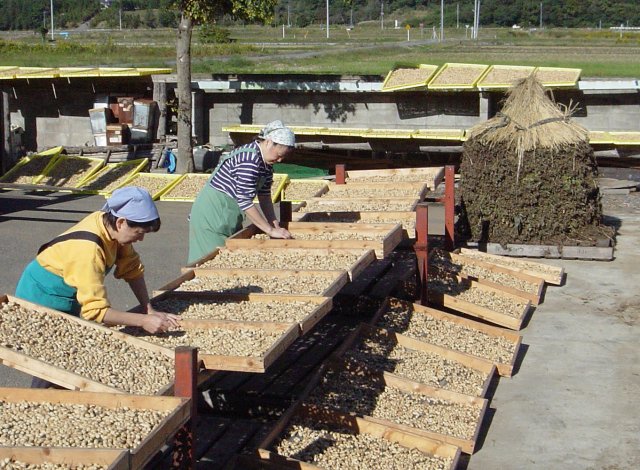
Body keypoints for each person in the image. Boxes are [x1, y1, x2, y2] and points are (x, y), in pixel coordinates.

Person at [16, 186, 180, 334]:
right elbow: (95, 311)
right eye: (138, 233)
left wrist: (148, 309)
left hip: (67, 295)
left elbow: (131, 269)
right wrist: (143, 321)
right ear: (121, 222)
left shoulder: (112, 227)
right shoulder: (88, 250)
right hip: (40, 296)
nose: (141, 239)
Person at [188, 120, 295, 264]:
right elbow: (244, 200)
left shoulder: (267, 164)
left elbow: (264, 196)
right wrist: (269, 230)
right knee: (209, 263)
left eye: (283, 156)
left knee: (226, 260)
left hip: (228, 213)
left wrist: (275, 225)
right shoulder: (249, 160)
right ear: (269, 142)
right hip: (212, 214)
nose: (280, 160)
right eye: (279, 154)